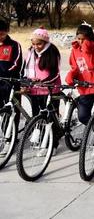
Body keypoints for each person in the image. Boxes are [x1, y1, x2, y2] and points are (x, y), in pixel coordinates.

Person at [21, 27, 62, 155]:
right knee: (38, 116)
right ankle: (42, 139)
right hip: (34, 90)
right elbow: (24, 69)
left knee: (50, 117)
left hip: (50, 89)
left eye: (39, 43)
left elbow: (56, 73)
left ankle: (53, 144)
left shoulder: (52, 52)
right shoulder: (30, 53)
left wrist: (45, 82)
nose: (36, 46)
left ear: (45, 42)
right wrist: (25, 82)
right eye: (33, 44)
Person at [66, 24, 94, 127]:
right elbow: (75, 67)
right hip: (85, 87)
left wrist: (86, 50)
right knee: (83, 116)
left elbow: (91, 65)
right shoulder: (75, 50)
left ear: (89, 38)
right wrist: (71, 75)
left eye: (84, 39)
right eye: (79, 39)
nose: (81, 42)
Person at [0, 19, 22, 107]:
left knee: (13, 106)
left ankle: (16, 121)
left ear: (7, 31)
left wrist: (5, 74)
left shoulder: (14, 45)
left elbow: (16, 64)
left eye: (1, 34)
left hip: (11, 80)